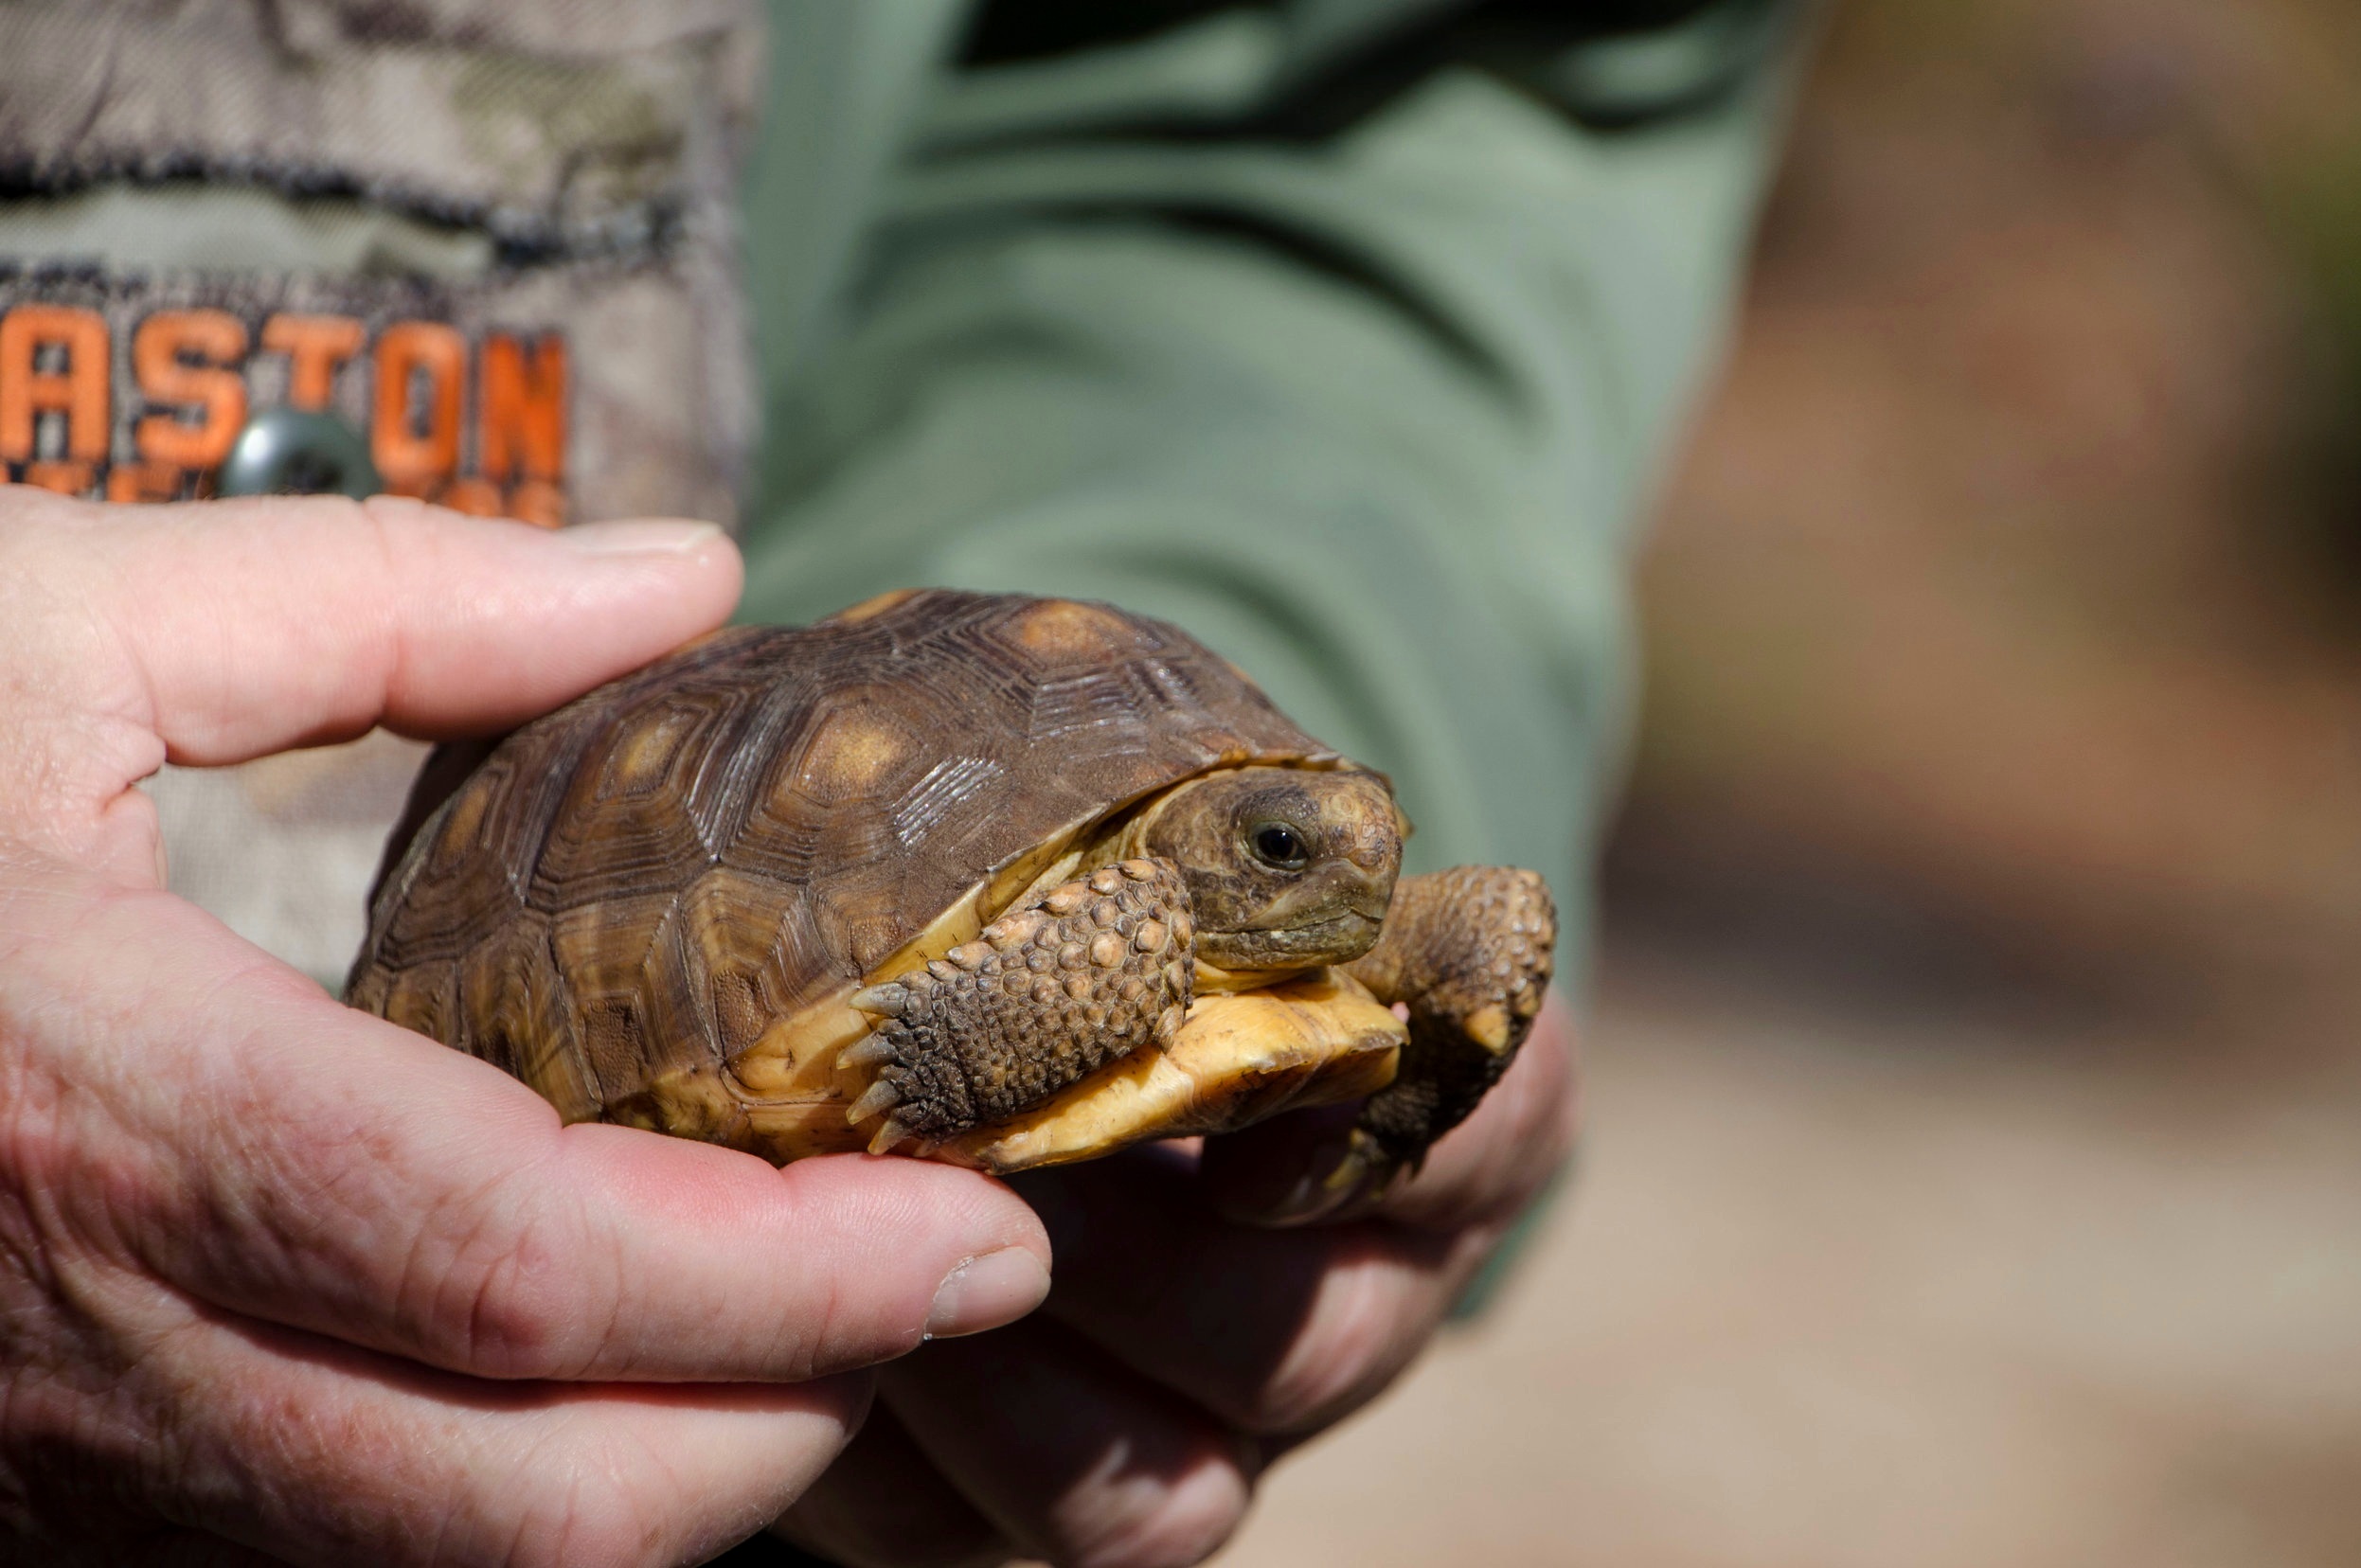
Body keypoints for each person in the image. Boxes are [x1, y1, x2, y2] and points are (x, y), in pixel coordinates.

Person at [0, 0, 1792, 1561]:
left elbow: (1348, 129)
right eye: (1274, 839)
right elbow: (1015, 991)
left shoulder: (1274, 899)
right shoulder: (1118, 939)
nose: (1354, 861)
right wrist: (947, 1057)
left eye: (1335, 832)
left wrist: (1381, 1097)